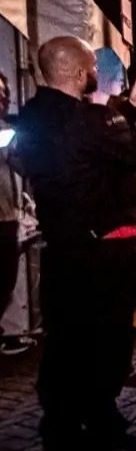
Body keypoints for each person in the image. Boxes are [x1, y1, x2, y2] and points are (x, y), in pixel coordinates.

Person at [12, 37, 136, 451]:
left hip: (63, 248)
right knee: (104, 343)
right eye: (91, 67)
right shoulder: (83, 123)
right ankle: (103, 432)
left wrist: (128, 110)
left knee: (66, 342)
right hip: (101, 254)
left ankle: (63, 429)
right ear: (80, 74)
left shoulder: (34, 116)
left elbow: (95, 147)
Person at [0, 73, 32, 356]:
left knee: (5, 281)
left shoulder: (5, 131)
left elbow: (20, 166)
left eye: (3, 93)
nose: (2, 99)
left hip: (6, 218)